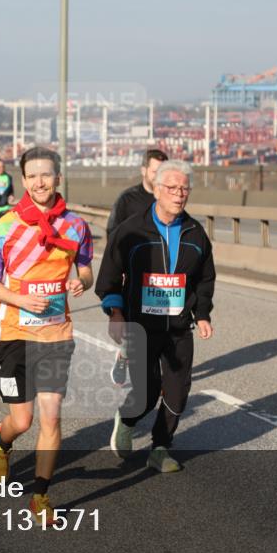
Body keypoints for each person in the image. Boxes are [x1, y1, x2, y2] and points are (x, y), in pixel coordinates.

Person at [0, 147, 93, 522]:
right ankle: (3, 441)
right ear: (24, 180)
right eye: (32, 176)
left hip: (56, 335)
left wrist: (83, 281)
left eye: (46, 175)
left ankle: (40, 497)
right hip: (15, 332)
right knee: (23, 421)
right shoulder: (6, 225)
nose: (39, 182)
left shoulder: (76, 226)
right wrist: (21, 300)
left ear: (58, 178)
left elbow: (86, 269)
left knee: (51, 419)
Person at [95, 160, 215, 473]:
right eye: (173, 188)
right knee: (147, 391)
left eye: (184, 189)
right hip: (140, 326)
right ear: (158, 190)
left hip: (177, 327)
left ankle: (160, 447)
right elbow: (109, 276)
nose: (179, 194)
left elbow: (205, 278)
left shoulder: (196, 233)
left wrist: (202, 314)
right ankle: (129, 419)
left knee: (178, 390)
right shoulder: (131, 231)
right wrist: (115, 312)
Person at [105, 148, 169, 386]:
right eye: (155, 171)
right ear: (144, 170)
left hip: (162, 277)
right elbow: (113, 234)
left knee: (163, 327)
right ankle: (124, 356)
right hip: (133, 276)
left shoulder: (171, 197)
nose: (159, 176)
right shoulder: (127, 200)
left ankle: (160, 375)